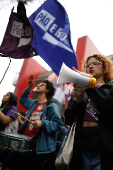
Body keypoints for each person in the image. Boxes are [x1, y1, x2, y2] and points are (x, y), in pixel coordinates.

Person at [64, 54, 113, 170]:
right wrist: (77, 101)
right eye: (87, 65)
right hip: (81, 148)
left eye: (95, 63)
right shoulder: (82, 90)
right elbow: (69, 119)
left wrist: (90, 87)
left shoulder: (110, 89)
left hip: (103, 151)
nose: (90, 66)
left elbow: (109, 106)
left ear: (105, 67)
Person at [14, 75, 63, 170]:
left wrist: (43, 123)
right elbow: (23, 100)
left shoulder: (51, 106)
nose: (39, 85)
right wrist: (29, 87)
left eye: (42, 85)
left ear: (47, 90)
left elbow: (58, 124)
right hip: (24, 146)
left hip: (38, 150)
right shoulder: (33, 103)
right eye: (39, 84)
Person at [0, 92, 18, 168]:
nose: (4, 95)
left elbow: (6, 121)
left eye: (7, 95)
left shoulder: (13, 108)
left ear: (12, 99)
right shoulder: (1, 109)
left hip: (3, 142)